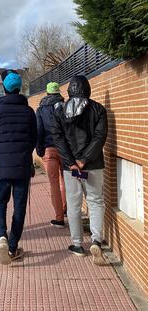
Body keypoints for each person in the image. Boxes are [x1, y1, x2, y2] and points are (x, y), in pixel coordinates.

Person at [52, 75, 108, 265]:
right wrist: (84, 159)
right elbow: (100, 136)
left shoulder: (60, 111)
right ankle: (96, 240)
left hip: (70, 168)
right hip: (94, 164)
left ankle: (77, 244)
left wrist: (72, 162)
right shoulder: (98, 109)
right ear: (87, 88)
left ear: (70, 90)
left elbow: (58, 139)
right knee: (96, 201)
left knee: (74, 204)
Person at [0, 70, 37, 265]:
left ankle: (1, 237)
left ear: (4, 89)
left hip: (1, 167)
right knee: (19, 207)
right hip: (22, 166)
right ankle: (13, 247)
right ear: (20, 88)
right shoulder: (29, 111)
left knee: (0, 203)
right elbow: (34, 138)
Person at [36, 82, 67, 228]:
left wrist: (40, 149)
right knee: (65, 180)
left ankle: (59, 218)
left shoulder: (41, 109)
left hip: (49, 149)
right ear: (58, 93)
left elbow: (39, 130)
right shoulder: (65, 105)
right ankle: (66, 208)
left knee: (53, 183)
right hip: (65, 149)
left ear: (47, 93)